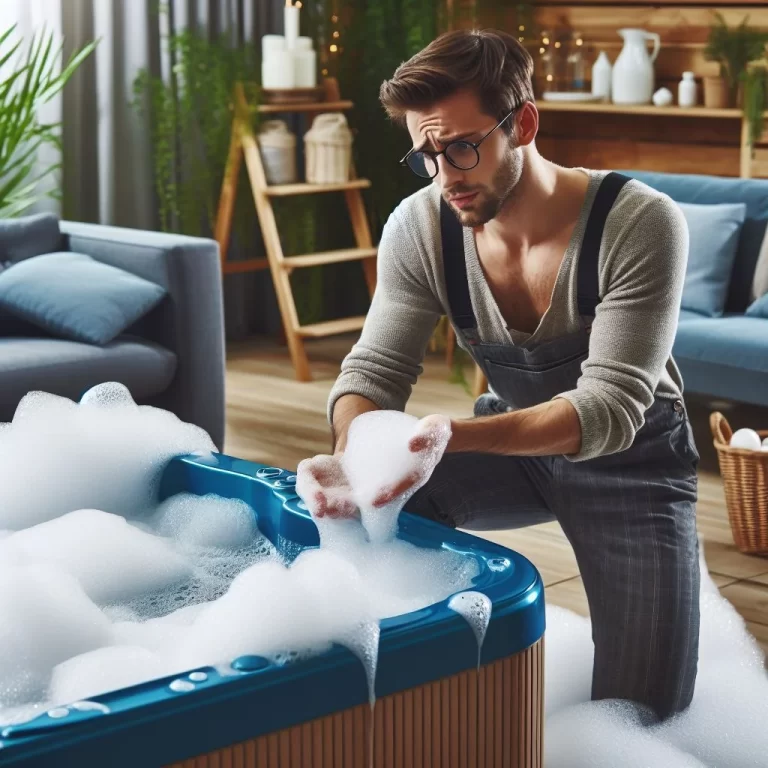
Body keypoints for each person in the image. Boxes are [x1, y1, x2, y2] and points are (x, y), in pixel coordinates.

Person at [297, 28, 701, 720]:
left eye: (461, 146)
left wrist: (435, 439)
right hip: (518, 452)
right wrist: (356, 453)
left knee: (641, 719)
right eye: (426, 153)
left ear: (524, 123)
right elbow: (374, 367)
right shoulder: (420, 225)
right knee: (373, 506)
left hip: (633, 465)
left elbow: (607, 409)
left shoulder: (639, 223)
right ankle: (432, 700)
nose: (444, 174)